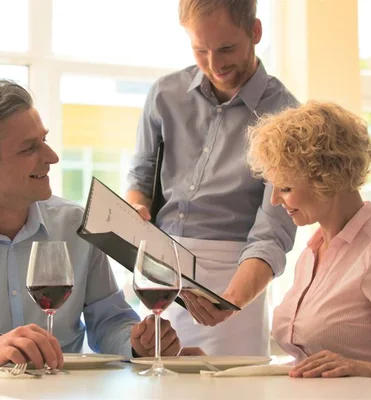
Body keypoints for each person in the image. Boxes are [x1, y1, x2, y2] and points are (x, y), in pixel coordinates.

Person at [0, 80, 181, 371]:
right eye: (29, 149)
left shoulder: (77, 225)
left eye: (45, 140)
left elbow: (110, 320)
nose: (51, 158)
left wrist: (135, 343)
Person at [126, 0, 297, 356]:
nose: (215, 64)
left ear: (255, 32)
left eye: (226, 48)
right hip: (159, 275)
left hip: (234, 279)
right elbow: (141, 175)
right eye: (200, 50)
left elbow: (273, 232)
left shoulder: (286, 115)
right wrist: (135, 208)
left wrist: (231, 300)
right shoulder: (164, 95)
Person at [243, 101, 371, 380]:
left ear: (325, 177)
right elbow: (305, 362)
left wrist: (360, 369)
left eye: (285, 187)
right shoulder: (310, 255)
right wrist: (214, 368)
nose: (274, 200)